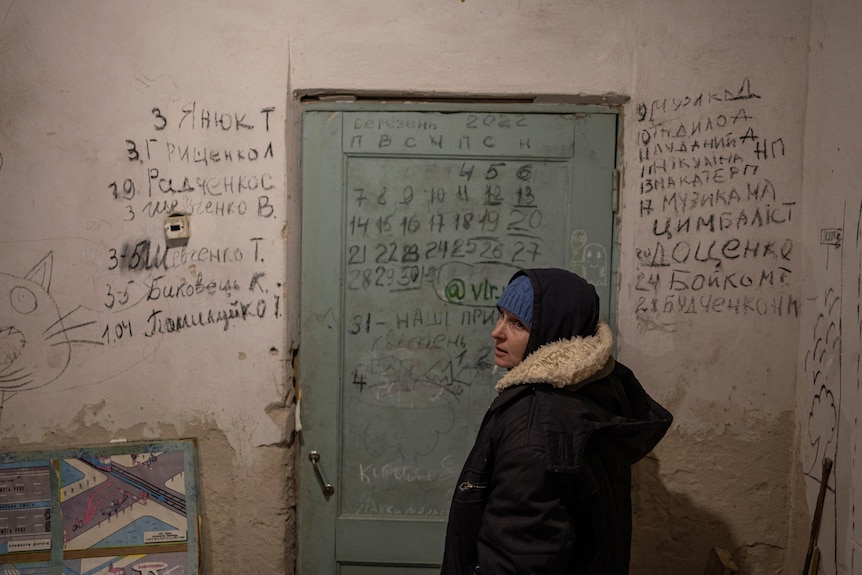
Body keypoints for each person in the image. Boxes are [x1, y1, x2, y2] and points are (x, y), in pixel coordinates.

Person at [441, 268, 673, 575]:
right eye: (501, 316)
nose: (497, 331)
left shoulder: (534, 428)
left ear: (551, 332)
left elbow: (520, 559)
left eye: (517, 324)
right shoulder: (595, 389)